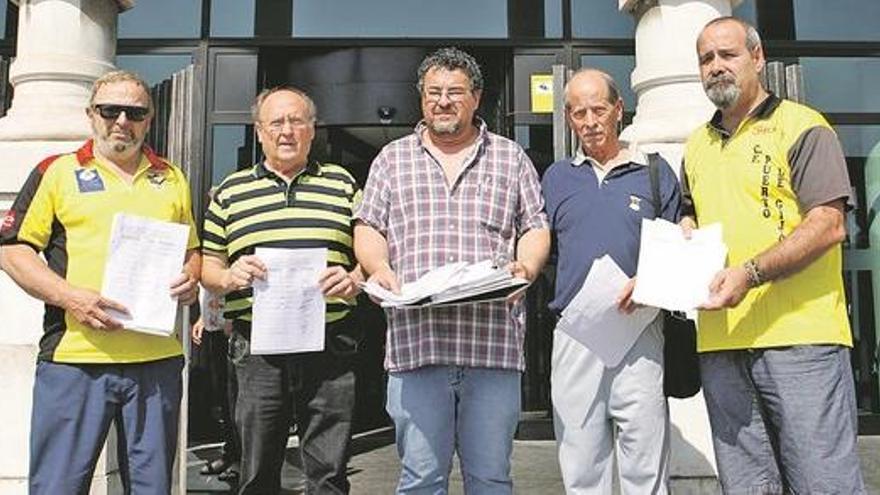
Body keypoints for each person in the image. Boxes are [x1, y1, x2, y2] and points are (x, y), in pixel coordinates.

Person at [354, 47, 550, 494]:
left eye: (455, 92)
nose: (443, 101)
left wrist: (528, 266)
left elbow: (535, 226)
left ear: (476, 97)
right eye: (434, 92)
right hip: (416, 348)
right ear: (421, 98)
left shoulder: (510, 157)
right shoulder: (391, 158)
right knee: (421, 480)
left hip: (492, 348)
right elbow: (368, 227)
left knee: (491, 480)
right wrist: (379, 267)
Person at [682, 16, 866, 493]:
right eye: (706, 59)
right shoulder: (696, 146)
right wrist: (683, 242)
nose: (716, 67)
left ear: (758, 57)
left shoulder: (803, 127)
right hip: (721, 343)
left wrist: (750, 272)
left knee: (823, 482)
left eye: (728, 54)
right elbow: (691, 217)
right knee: (746, 485)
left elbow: (828, 225)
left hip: (801, 340)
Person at [0, 70, 200, 494]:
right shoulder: (56, 172)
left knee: (152, 490)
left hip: (156, 361)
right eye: (110, 110)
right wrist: (69, 296)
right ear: (91, 114)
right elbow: (12, 250)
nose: (122, 121)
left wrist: (191, 276)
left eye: (135, 112)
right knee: (57, 487)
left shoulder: (173, 177)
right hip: (75, 360)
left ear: (149, 119)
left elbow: (191, 251)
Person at [201, 85, 363, 494]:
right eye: (276, 122)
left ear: (312, 130)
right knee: (256, 467)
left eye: (297, 121)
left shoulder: (343, 184)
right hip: (257, 345)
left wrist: (355, 278)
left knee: (328, 469)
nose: (286, 131)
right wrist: (229, 276)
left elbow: (373, 251)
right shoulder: (230, 192)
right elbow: (208, 266)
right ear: (259, 131)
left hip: (330, 341)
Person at [542, 68, 678, 494]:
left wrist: (650, 279)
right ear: (568, 118)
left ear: (619, 109)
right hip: (576, 334)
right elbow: (543, 251)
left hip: (640, 330)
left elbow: (677, 248)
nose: (590, 120)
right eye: (578, 112)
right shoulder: (555, 178)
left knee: (645, 457)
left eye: (598, 109)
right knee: (581, 460)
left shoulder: (656, 174)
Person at [192, 286, 240, 483]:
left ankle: (242, 460)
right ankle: (231, 453)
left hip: (236, 325)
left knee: (236, 397)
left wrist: (232, 317)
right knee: (223, 395)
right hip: (214, 322)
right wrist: (204, 316)